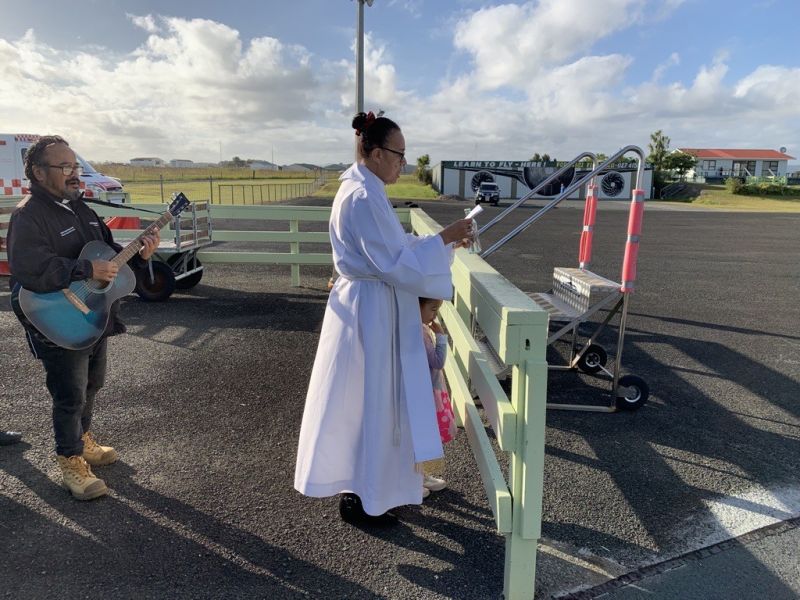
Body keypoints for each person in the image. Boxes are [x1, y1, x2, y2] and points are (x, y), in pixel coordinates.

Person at [294, 111, 473, 526]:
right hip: (371, 310)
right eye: (399, 155)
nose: (403, 164)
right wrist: (444, 239)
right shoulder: (362, 196)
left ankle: (366, 493)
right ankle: (364, 498)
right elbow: (396, 263)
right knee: (372, 401)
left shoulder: (363, 188)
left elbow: (394, 249)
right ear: (374, 153)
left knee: (363, 400)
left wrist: (440, 244)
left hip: (366, 305)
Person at [6, 135, 159, 501]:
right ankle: (70, 460)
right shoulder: (28, 215)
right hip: (56, 320)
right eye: (65, 167)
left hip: (92, 317)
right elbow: (30, 268)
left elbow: (111, 261)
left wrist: (140, 254)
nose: (76, 174)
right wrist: (85, 267)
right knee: (69, 394)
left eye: (76, 166)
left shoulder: (84, 210)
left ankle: (83, 439)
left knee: (92, 384)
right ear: (40, 173)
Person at [418, 297, 456, 499]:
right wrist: (441, 336)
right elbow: (437, 361)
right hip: (427, 392)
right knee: (421, 436)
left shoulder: (418, 328)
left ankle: (418, 475)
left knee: (419, 436)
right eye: (432, 309)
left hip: (424, 390)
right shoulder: (421, 332)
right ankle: (415, 478)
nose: (435, 315)